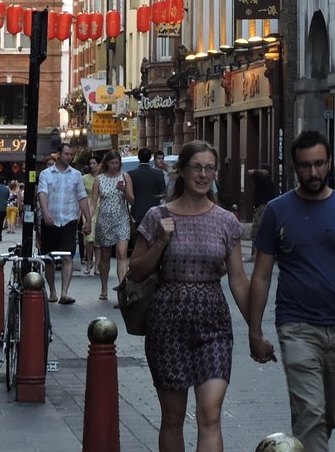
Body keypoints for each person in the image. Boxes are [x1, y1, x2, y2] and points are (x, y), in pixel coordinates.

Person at [247, 130, 335, 452]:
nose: (313, 173)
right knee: (311, 413)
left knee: (326, 412)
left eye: (319, 164)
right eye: (305, 166)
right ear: (295, 168)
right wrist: (255, 331)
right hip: (296, 325)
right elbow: (261, 276)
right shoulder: (277, 210)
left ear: (330, 164)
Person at [126, 141, 249, 452]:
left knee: (210, 414)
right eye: (197, 167)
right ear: (181, 170)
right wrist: (160, 242)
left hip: (214, 325)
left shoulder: (226, 221)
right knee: (173, 417)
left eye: (209, 168)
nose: (203, 174)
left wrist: (257, 329)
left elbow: (238, 279)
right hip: (167, 325)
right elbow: (136, 270)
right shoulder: (157, 216)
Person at [38, 140, 90, 304]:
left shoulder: (76, 175)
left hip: (69, 220)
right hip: (50, 221)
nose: (69, 157)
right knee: (49, 258)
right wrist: (45, 212)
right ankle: (52, 290)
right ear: (59, 155)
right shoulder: (46, 174)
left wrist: (88, 219)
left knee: (67, 256)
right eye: (67, 154)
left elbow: (82, 197)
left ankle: (64, 292)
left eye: (71, 155)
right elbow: (42, 194)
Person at [91, 150, 135, 302]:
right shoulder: (99, 179)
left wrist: (124, 190)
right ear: (107, 163)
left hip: (121, 218)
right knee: (105, 256)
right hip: (104, 220)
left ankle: (123, 288)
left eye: (117, 163)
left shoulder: (125, 177)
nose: (115, 166)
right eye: (112, 163)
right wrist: (88, 220)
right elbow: (93, 202)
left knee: (122, 253)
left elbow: (132, 200)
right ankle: (104, 288)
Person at [128, 147, 169, 228]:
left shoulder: (131, 174)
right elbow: (163, 194)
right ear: (150, 158)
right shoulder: (158, 174)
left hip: (137, 214)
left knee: (139, 239)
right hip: (154, 213)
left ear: (138, 158)